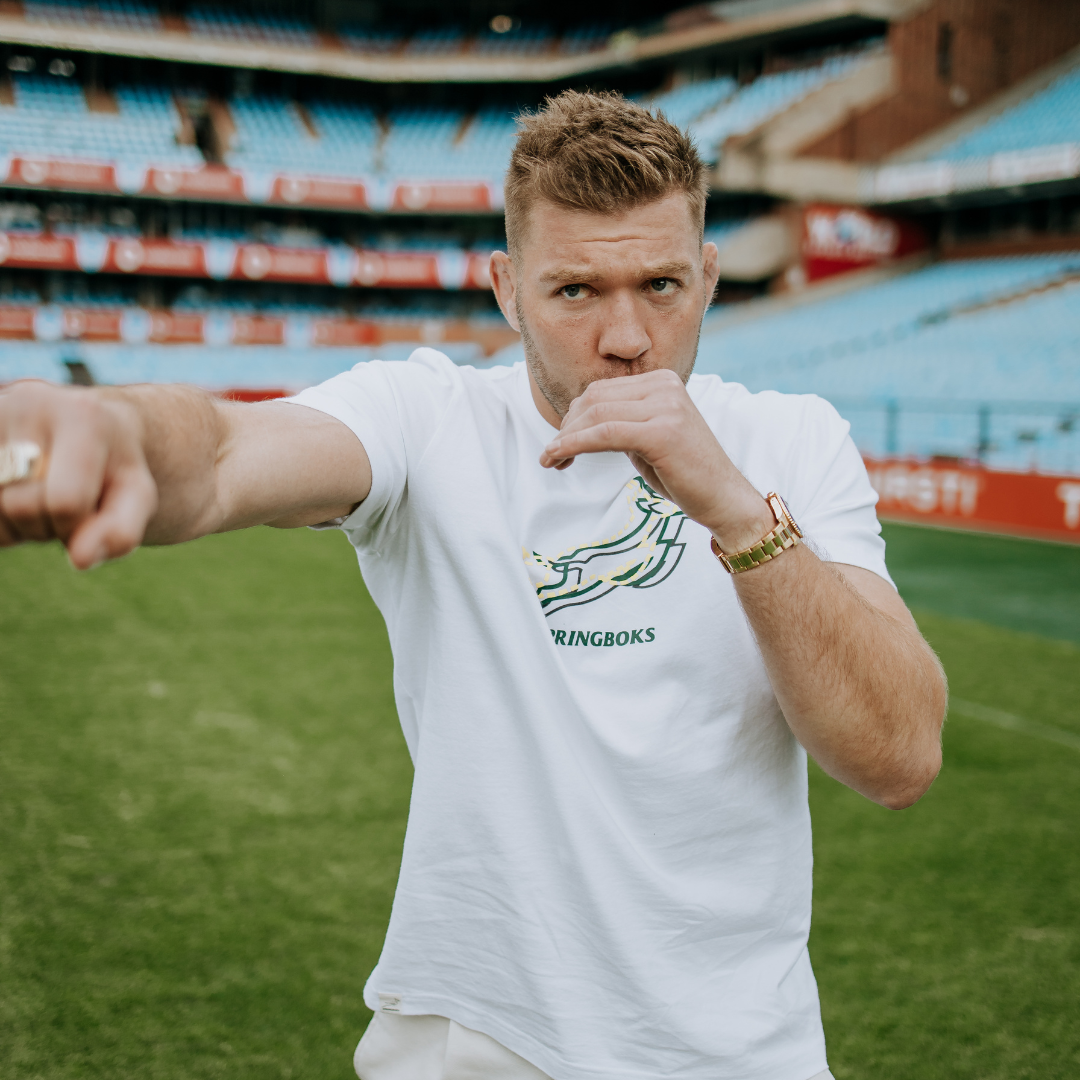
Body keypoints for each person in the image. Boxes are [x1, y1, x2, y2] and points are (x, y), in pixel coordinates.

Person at [0, 90, 946, 1080]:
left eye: (661, 285)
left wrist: (742, 516)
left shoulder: (792, 440)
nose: (627, 336)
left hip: (747, 1055)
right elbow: (230, 451)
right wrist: (117, 429)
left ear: (708, 277)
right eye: (575, 291)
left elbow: (899, 757)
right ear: (506, 289)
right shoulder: (430, 417)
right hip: (480, 1045)